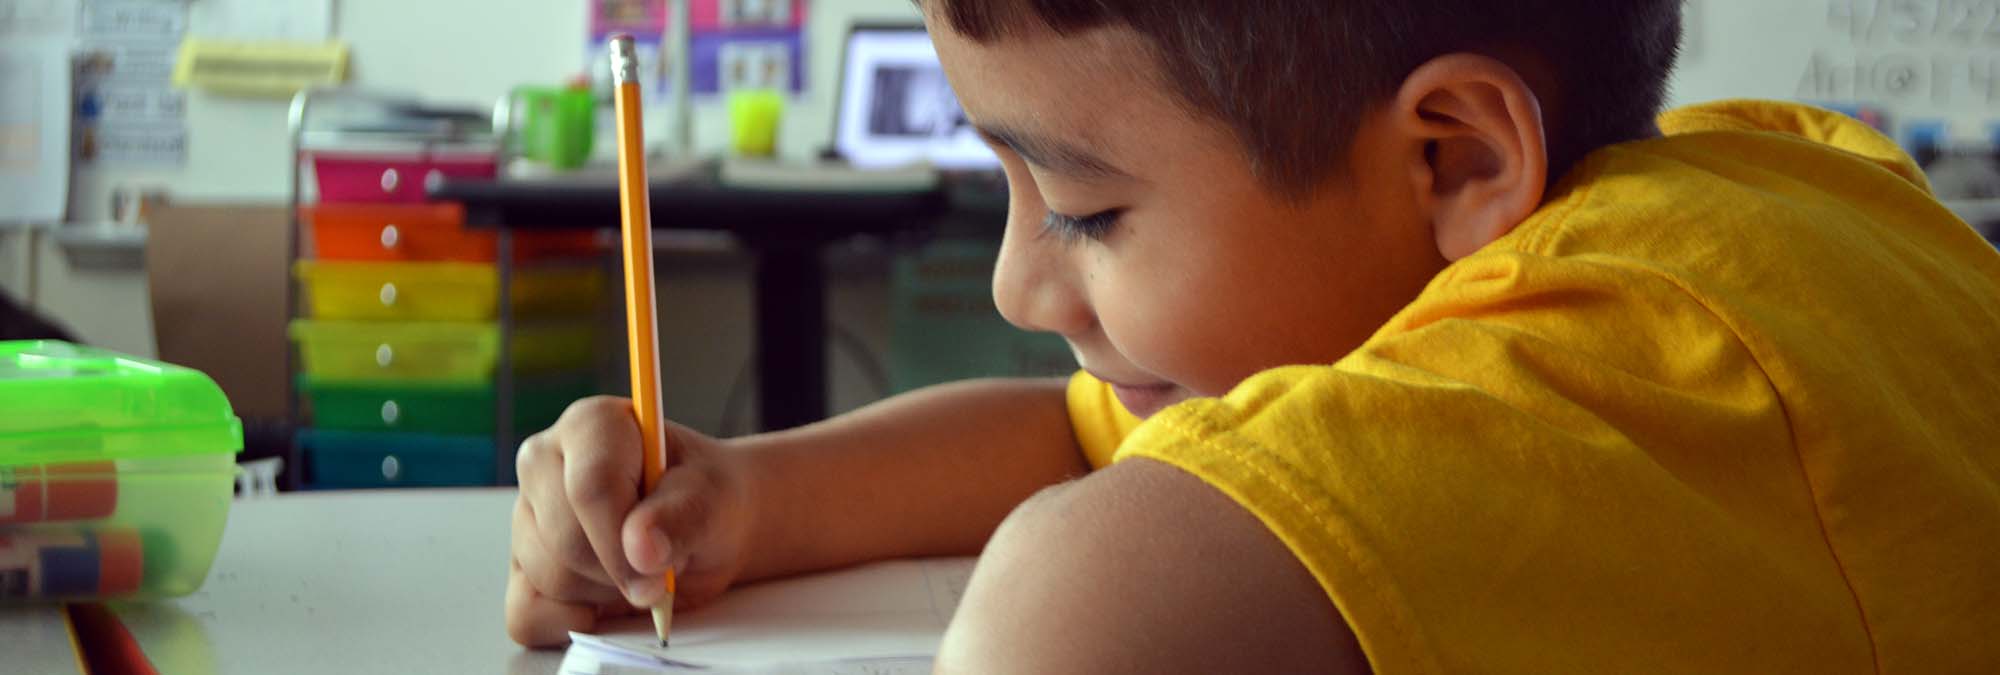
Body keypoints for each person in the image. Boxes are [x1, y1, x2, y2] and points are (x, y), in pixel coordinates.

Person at [507, 2, 2000, 671]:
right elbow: (1085, 437)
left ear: (1455, 162)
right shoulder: (1750, 176)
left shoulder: (1639, 356)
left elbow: (1086, 596)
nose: (1024, 286)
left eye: (1085, 210)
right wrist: (745, 500)